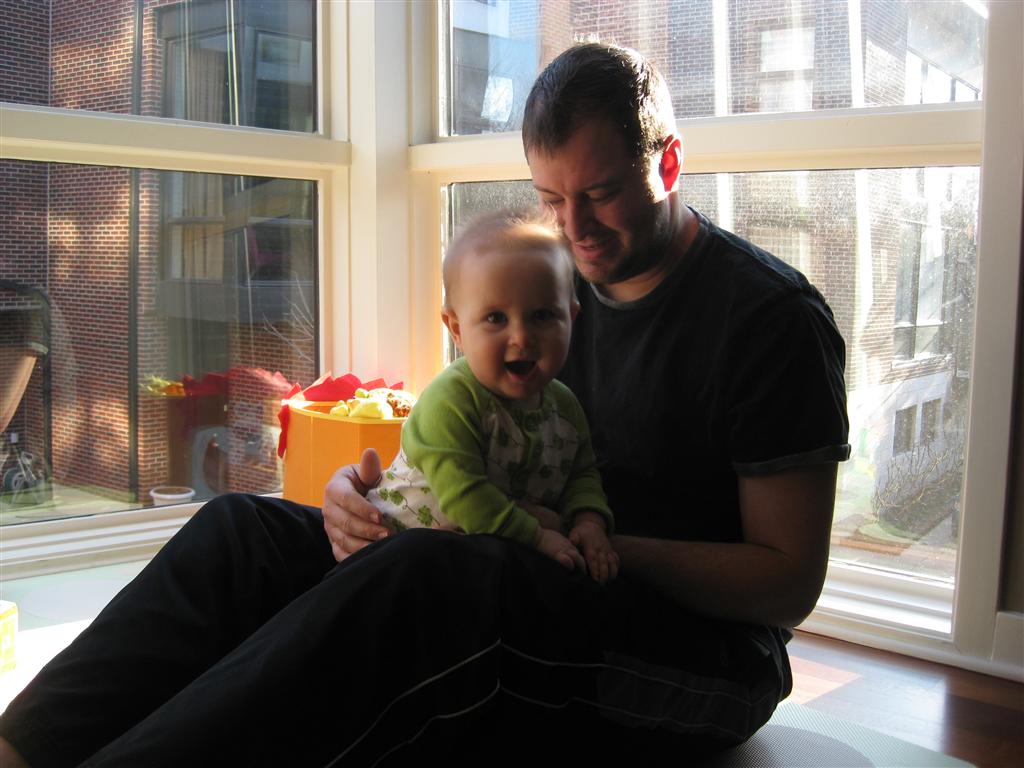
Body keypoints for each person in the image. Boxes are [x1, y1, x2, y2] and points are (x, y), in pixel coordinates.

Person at [0, 42, 849, 767]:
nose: (575, 227)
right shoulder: (549, 287)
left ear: (667, 164)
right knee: (245, 534)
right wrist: (352, 500)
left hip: (699, 655)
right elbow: (464, 450)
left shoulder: (767, 320)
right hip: (523, 569)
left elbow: (785, 583)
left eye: (599, 194)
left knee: (426, 578)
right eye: (552, 199)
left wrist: (584, 545)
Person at [367, 208, 617, 582]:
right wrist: (538, 537)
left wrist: (590, 521)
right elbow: (466, 498)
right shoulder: (451, 399)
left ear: (571, 318)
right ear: (456, 328)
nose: (521, 337)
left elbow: (581, 474)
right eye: (496, 318)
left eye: (542, 315)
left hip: (476, 570)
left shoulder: (565, 407)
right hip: (391, 562)